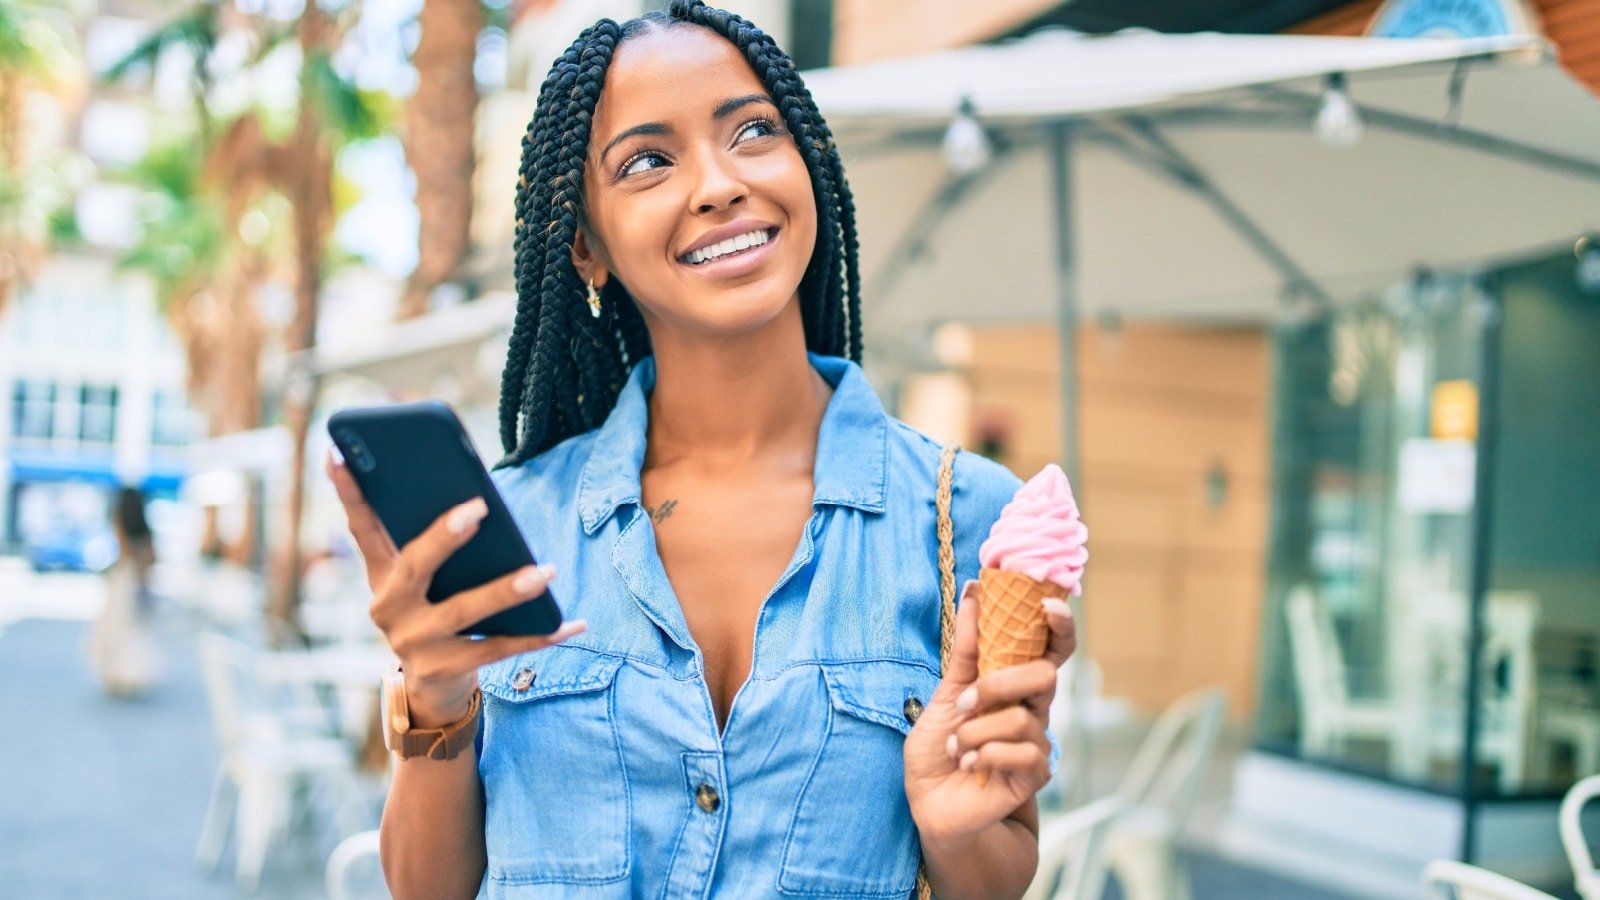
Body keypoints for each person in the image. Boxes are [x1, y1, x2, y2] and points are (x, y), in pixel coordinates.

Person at [326, 3, 1076, 897]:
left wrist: (954, 835)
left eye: (753, 130)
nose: (719, 184)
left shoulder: (968, 518)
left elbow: (996, 871)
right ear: (586, 246)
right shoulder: (512, 526)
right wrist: (433, 705)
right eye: (647, 161)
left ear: (808, 164)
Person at [88, 486, 162, 696]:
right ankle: (132, 673)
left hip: (123, 580)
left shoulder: (120, 523)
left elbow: (122, 553)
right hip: (138, 580)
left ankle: (118, 673)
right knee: (135, 631)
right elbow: (149, 559)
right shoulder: (146, 531)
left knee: (118, 630)